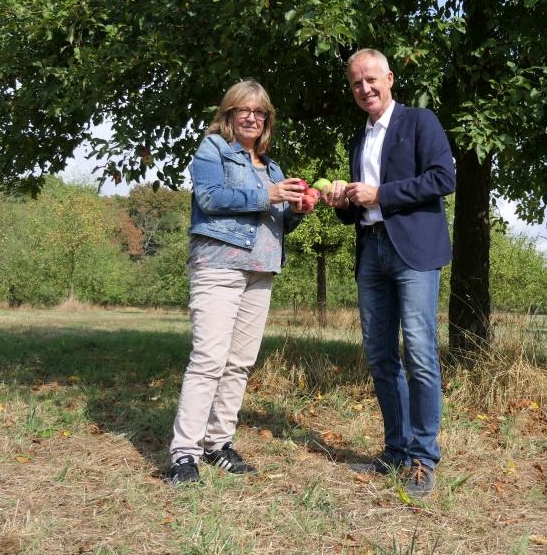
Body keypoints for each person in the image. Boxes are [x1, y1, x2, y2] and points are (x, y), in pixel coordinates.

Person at [324, 48, 456, 497]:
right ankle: (396, 449)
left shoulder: (420, 121)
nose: (365, 89)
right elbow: (361, 207)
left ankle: (423, 458)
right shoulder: (358, 139)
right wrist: (344, 202)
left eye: (371, 79)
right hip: (371, 252)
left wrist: (381, 193)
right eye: (356, 83)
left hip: (413, 253)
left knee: (419, 353)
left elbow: (443, 178)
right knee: (381, 358)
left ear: (390, 78)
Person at [168, 79, 308, 485]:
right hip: (218, 265)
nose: (252, 117)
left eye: (259, 112)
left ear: (267, 120)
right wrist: (270, 195)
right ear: (229, 114)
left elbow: (278, 221)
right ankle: (184, 454)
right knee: (209, 359)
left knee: (240, 363)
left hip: (261, 269)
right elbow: (210, 199)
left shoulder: (272, 165)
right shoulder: (213, 149)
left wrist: (297, 208)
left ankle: (218, 444)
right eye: (243, 110)